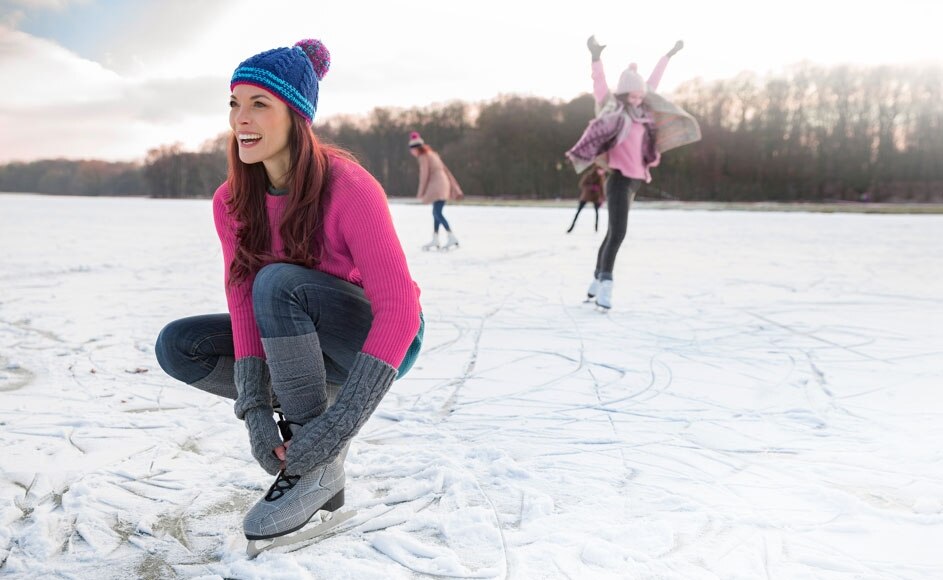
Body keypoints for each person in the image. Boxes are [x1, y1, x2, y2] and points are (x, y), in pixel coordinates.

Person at [154, 38, 423, 547]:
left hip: (374, 338)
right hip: (291, 336)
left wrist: (336, 427)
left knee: (278, 282)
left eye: (259, 104)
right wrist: (255, 411)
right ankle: (309, 427)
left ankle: (313, 469)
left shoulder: (349, 185)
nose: (241, 119)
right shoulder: (231, 201)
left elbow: (400, 308)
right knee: (179, 345)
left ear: (296, 116)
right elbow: (241, 306)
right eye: (234, 103)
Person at [566, 35, 700, 310]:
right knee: (618, 233)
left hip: (637, 180)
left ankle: (594, 282)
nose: (638, 99)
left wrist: (669, 55)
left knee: (612, 233)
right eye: (633, 95)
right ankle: (606, 283)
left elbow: (653, 80)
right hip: (618, 180)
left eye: (640, 95)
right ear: (623, 95)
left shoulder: (644, 114)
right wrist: (595, 57)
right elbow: (599, 85)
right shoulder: (612, 110)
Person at [409, 131, 464, 251]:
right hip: (443, 183)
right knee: (436, 212)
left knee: (437, 212)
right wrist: (456, 188)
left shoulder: (423, 156)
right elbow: (447, 171)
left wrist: (421, 192)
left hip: (437, 185)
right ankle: (435, 238)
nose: (411, 152)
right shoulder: (433, 154)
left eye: (411, 149)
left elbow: (424, 175)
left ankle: (451, 236)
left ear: (415, 148)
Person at [567, 164, 607, 233]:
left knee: (597, 213)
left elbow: (602, 188)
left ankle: (596, 228)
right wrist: (591, 187)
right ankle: (572, 226)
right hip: (586, 195)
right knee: (578, 211)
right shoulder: (589, 175)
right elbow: (582, 184)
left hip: (596, 196)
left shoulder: (601, 177)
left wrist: (602, 198)